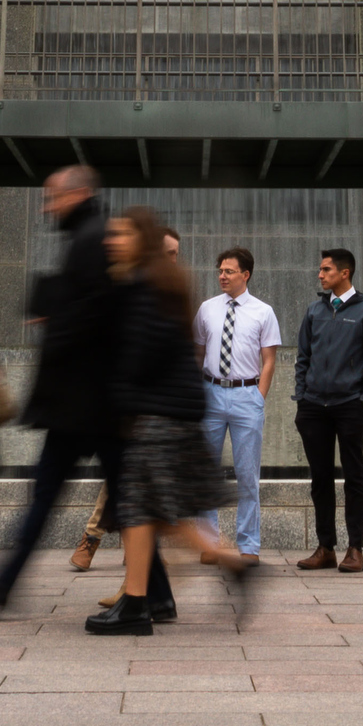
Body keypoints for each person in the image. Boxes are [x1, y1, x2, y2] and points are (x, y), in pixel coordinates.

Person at [0, 167, 169, 616]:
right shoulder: (90, 235)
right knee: (111, 496)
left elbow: (95, 313)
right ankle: (159, 593)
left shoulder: (94, 237)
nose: (46, 207)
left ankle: (8, 583)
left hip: (87, 401)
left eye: (52, 199)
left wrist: (53, 320)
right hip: (88, 402)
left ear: (77, 194)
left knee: (70, 494)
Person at [87, 206, 256, 635]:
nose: (113, 240)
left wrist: (113, 400)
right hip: (172, 408)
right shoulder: (162, 282)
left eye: (121, 234)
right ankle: (153, 596)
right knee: (148, 509)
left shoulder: (144, 284)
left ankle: (138, 603)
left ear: (139, 240)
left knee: (140, 508)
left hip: (157, 413)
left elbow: (141, 357)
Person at [72, 226, 179, 576]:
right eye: (167, 252)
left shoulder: (170, 291)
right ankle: (99, 544)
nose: (172, 259)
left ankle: (120, 554)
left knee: (139, 488)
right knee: (126, 484)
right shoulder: (135, 286)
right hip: (133, 407)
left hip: (159, 408)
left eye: (175, 253)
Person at [291, 246, 363, 574]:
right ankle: (325, 547)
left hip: (349, 406)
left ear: (344, 273)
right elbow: (303, 357)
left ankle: (355, 549)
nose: (320, 275)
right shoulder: (314, 311)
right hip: (314, 407)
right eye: (321, 270)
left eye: (326, 270)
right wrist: (302, 396)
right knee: (320, 479)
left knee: (354, 477)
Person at [196, 245, 281, 558]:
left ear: (246, 275)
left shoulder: (263, 311)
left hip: (247, 395)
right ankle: (209, 542)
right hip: (211, 393)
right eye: (220, 271)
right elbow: (198, 353)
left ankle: (248, 545)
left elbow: (269, 359)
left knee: (247, 475)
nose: (222, 276)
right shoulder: (206, 308)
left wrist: (259, 396)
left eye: (229, 271)